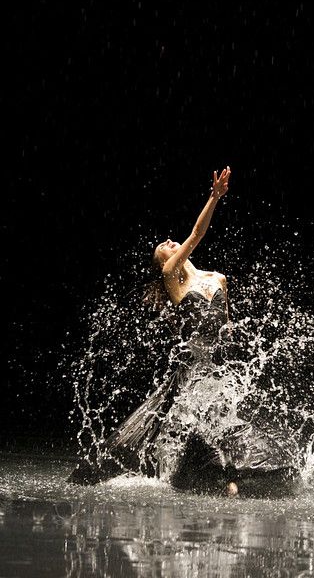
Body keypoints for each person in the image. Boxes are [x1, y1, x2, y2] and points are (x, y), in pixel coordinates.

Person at [68, 166, 232, 485]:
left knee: (218, 427)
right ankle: (215, 482)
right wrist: (214, 198)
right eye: (165, 247)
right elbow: (197, 235)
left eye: (170, 242)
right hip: (190, 370)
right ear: (164, 263)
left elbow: (227, 330)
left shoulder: (218, 279)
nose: (170, 241)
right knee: (199, 427)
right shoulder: (173, 275)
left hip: (213, 369)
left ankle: (206, 479)